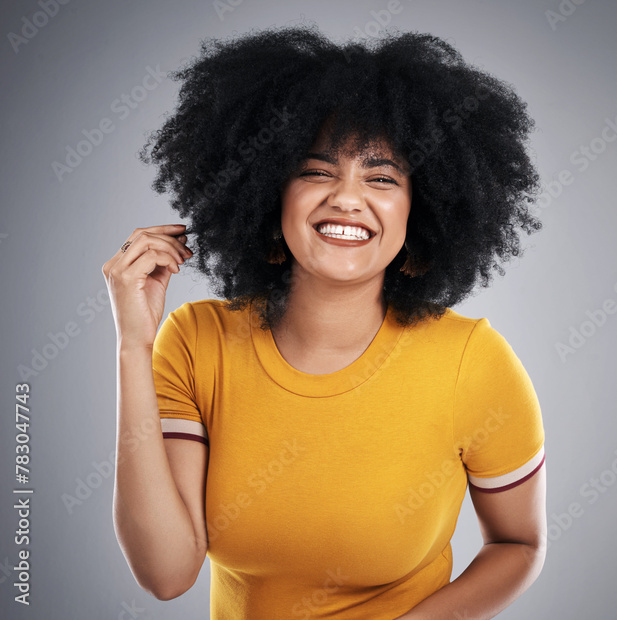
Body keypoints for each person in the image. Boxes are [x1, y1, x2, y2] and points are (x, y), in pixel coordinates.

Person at [102, 24, 547, 619]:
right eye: (316, 171)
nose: (346, 197)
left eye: (382, 177)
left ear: (424, 209)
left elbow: (519, 544)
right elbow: (165, 573)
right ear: (268, 193)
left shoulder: (473, 361)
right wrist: (134, 344)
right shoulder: (196, 341)